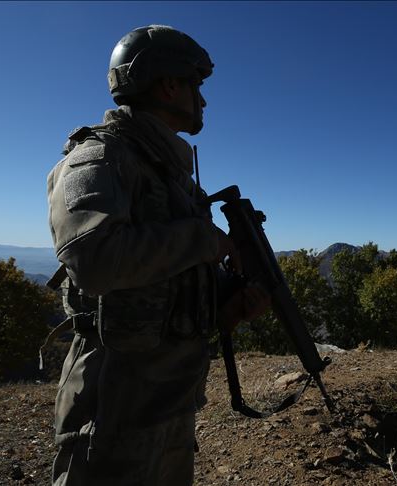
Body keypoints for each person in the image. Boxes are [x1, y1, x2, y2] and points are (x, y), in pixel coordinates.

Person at [46, 24, 268, 485]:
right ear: (169, 84)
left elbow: (163, 278)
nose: (202, 101)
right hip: (114, 403)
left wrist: (225, 304)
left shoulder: (170, 174)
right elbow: (96, 261)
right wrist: (205, 241)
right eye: (196, 86)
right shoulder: (98, 158)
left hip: (167, 396)